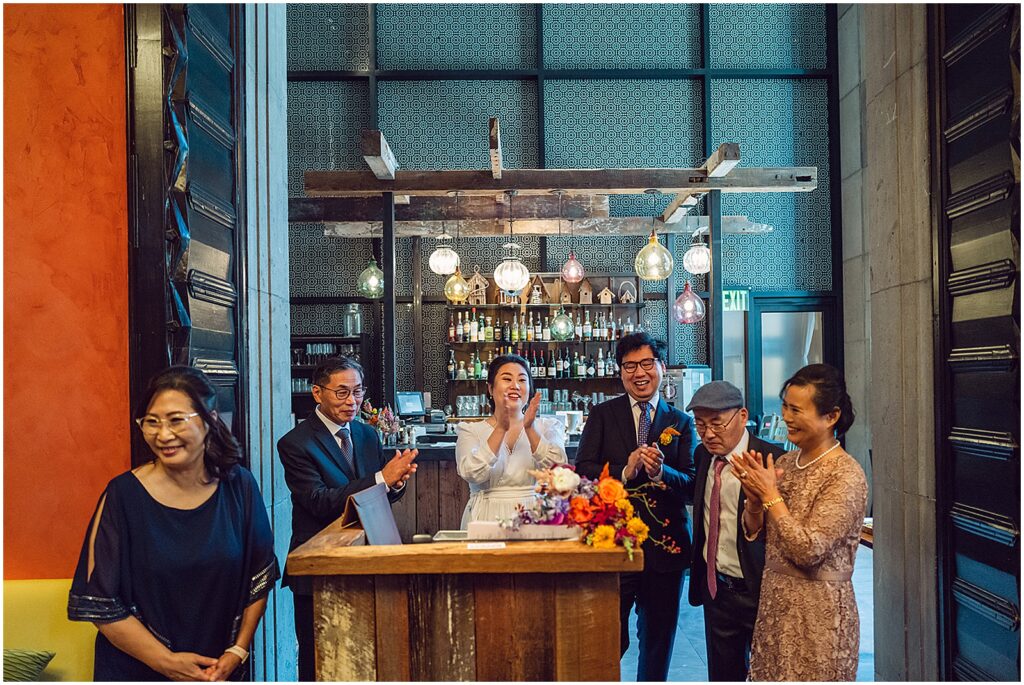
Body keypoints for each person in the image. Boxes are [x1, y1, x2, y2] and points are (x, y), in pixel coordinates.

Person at [67, 366, 279, 681]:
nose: (163, 434)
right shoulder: (123, 495)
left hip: (218, 669)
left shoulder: (240, 486)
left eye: (176, 420)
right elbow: (102, 603)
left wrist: (238, 650)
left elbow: (259, 575)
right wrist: (166, 662)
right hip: (139, 669)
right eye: (151, 422)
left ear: (211, 420)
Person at [278, 356, 418, 682]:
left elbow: (377, 492)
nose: (352, 401)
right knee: (320, 662)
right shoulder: (295, 443)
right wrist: (382, 478)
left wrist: (394, 484)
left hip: (367, 558)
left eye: (357, 392)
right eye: (341, 393)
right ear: (317, 393)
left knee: (368, 657)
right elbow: (319, 502)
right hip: (319, 564)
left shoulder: (367, 435)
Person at [731, 363, 868, 681]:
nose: (787, 417)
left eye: (796, 409)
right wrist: (753, 501)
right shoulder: (785, 463)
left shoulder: (845, 474)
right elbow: (757, 534)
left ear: (831, 416)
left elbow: (808, 549)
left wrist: (770, 495)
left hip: (817, 615)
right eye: (785, 407)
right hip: (775, 606)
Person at [575, 332, 697, 682]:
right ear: (620, 372)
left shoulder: (681, 422)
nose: (639, 373)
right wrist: (624, 471)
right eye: (630, 366)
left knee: (658, 642)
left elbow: (691, 484)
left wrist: (662, 472)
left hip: (665, 547)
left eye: (647, 364)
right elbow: (583, 471)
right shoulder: (602, 415)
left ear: (661, 367)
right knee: (607, 638)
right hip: (613, 543)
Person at [685, 381, 780, 681]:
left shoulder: (772, 460)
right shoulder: (703, 456)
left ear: (742, 416)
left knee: (768, 672)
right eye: (700, 425)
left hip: (761, 590)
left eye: (716, 423)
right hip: (717, 591)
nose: (708, 434)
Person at [455, 353, 568, 527]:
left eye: (522, 380)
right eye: (507, 379)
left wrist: (530, 429)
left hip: (535, 517)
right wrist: (500, 428)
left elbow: (559, 469)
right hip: (484, 519)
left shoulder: (548, 426)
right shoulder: (470, 430)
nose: (515, 385)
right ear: (491, 388)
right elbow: (471, 472)